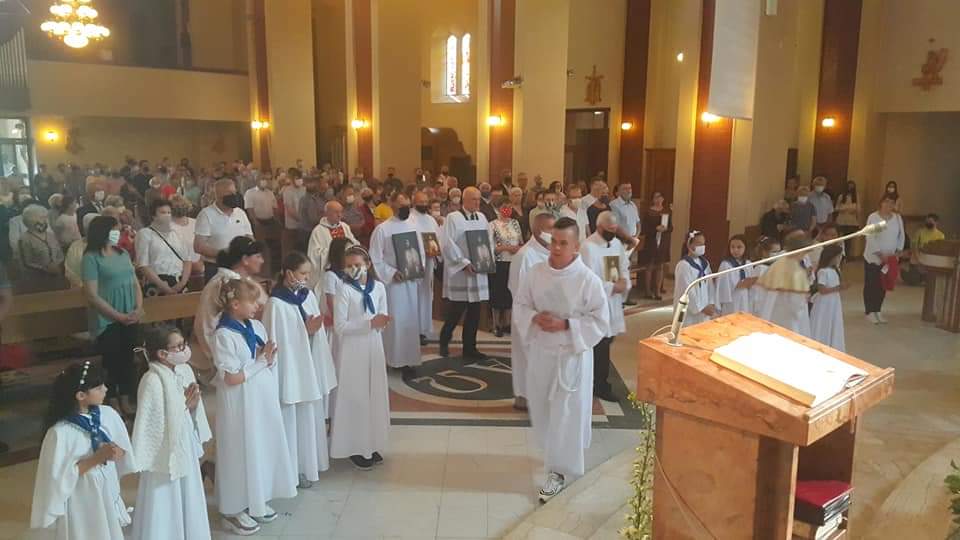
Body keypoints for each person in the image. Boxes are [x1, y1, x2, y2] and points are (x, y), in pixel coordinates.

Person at [513, 217, 609, 502]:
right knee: (544, 410)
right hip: (542, 352)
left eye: (563, 243)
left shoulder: (587, 280)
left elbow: (600, 321)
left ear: (576, 246)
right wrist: (534, 317)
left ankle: (559, 472)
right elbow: (521, 303)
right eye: (553, 242)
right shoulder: (535, 273)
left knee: (566, 414)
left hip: (571, 357)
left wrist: (566, 325)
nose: (556, 248)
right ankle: (554, 457)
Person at [212, 278, 296, 534]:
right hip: (239, 401)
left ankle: (255, 498)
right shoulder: (223, 335)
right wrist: (261, 361)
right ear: (235, 304)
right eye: (253, 301)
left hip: (260, 398)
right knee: (238, 449)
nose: (258, 306)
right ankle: (232, 509)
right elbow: (232, 377)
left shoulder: (256, 326)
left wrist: (269, 356)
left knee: (259, 446)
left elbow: (266, 357)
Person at [31, 362, 136, 540]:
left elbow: (123, 450)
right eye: (98, 387)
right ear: (81, 395)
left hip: (105, 487)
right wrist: (97, 458)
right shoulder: (60, 432)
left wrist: (116, 452)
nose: (105, 389)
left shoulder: (108, 414)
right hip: (81, 496)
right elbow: (58, 478)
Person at [130, 325, 212, 540]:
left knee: (188, 494)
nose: (184, 349)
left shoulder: (184, 370)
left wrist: (191, 408)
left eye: (184, 344)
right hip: (164, 454)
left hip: (184, 442)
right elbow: (154, 424)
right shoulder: (152, 380)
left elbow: (187, 410)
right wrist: (184, 406)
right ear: (162, 354)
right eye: (178, 346)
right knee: (165, 500)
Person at [264, 252, 337, 489]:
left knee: (308, 420)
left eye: (308, 274)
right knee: (291, 422)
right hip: (290, 372)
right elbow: (276, 341)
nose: (306, 278)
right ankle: (291, 471)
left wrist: (312, 332)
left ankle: (307, 465)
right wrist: (305, 332)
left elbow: (315, 335)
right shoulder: (276, 304)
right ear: (289, 274)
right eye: (303, 273)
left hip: (308, 368)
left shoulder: (307, 297)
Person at [329, 245, 391, 470]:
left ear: (368, 265)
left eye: (358, 265)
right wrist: (368, 324)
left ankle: (372, 443)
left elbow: (382, 316)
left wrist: (380, 324)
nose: (353, 269)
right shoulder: (344, 289)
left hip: (373, 346)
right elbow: (339, 326)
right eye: (349, 266)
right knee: (355, 397)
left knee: (373, 395)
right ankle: (354, 446)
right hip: (352, 350)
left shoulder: (379, 288)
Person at [82, 216, 142, 416]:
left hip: (130, 313)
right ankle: (112, 398)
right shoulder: (91, 257)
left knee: (128, 359)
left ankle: (126, 397)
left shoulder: (122, 253)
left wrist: (138, 307)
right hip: (107, 318)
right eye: (115, 229)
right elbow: (92, 295)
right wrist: (118, 316)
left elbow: (135, 282)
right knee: (112, 361)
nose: (118, 233)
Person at [192, 237, 266, 381]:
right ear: (245, 259)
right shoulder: (221, 285)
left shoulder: (245, 282)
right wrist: (216, 356)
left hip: (249, 353)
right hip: (229, 354)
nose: (262, 261)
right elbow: (206, 325)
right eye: (258, 256)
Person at [369, 191, 424, 374]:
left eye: (408, 206)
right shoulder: (382, 230)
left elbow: (420, 252)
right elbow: (375, 258)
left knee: (410, 321)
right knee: (396, 322)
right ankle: (393, 360)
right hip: (394, 285)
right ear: (392, 205)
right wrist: (392, 273)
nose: (406, 209)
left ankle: (409, 359)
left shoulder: (414, 226)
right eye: (402, 206)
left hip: (411, 281)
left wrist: (418, 268)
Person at [579, 211, 629, 402]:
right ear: (599, 227)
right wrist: (611, 287)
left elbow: (623, 265)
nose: (612, 233)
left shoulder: (615, 244)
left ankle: (599, 380)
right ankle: (598, 384)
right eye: (609, 229)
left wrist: (624, 281)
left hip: (613, 301)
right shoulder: (588, 247)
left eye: (615, 229)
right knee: (599, 344)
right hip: (597, 303)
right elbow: (588, 278)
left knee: (607, 340)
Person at [439, 187, 493, 360]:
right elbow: (447, 243)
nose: (477, 202)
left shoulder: (482, 217)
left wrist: (486, 260)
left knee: (475, 312)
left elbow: (488, 241)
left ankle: (470, 348)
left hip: (477, 271)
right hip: (461, 272)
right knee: (456, 311)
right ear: (464, 200)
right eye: (474, 199)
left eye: (478, 199)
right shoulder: (453, 218)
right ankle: (444, 340)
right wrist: (463, 263)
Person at [508, 213, 555, 411]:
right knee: (527, 358)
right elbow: (518, 291)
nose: (554, 233)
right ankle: (524, 398)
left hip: (548, 317)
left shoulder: (551, 252)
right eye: (551, 229)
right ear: (539, 230)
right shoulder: (525, 255)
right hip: (529, 317)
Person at [194, 178, 254, 282]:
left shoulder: (240, 213)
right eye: (230, 193)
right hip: (216, 267)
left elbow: (250, 238)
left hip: (240, 267)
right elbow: (199, 246)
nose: (234, 196)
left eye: (235, 192)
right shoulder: (206, 215)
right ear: (219, 196)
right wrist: (225, 254)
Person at [755, 233, 813, 336]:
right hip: (787, 314)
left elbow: (763, 289)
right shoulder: (796, 270)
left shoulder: (777, 264)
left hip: (772, 308)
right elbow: (795, 303)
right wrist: (804, 297)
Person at [136, 199, 191, 296]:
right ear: (153, 215)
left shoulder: (177, 234)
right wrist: (162, 286)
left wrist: (182, 282)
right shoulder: (145, 234)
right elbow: (143, 265)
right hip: (156, 282)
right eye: (163, 212)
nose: (167, 215)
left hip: (178, 281)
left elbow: (187, 260)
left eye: (169, 212)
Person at [863, 195, 904, 324]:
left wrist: (897, 252)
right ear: (881, 203)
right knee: (872, 284)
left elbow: (901, 236)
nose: (889, 205)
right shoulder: (874, 217)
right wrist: (880, 254)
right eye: (886, 202)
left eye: (892, 203)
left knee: (883, 284)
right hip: (874, 257)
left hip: (890, 259)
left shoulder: (897, 218)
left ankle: (878, 310)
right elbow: (870, 237)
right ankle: (869, 311)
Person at [410, 190, 442, 343]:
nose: (423, 204)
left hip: (429, 262)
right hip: (414, 262)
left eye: (425, 202)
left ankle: (424, 328)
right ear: (414, 202)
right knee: (415, 295)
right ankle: (414, 329)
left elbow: (438, 238)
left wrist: (436, 251)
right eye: (420, 202)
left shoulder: (430, 219)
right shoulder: (409, 219)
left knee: (426, 294)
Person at [307, 200, 358, 292]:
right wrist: (334, 252)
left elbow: (354, 242)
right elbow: (314, 254)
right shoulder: (318, 231)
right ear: (326, 213)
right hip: (330, 271)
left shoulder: (345, 226)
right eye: (336, 212)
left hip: (347, 268)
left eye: (341, 212)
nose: (339, 215)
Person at [490, 203, 523, 338]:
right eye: (504, 207)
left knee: (510, 292)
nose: (506, 210)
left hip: (513, 262)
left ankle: (508, 323)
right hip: (499, 262)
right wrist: (506, 248)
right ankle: (496, 324)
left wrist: (518, 248)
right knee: (498, 292)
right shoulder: (493, 224)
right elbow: (491, 246)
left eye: (509, 207)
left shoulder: (515, 223)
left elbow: (520, 241)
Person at [18, 204, 66, 291]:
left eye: (45, 217)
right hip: (37, 280)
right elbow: (26, 262)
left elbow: (60, 254)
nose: (45, 220)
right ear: (32, 220)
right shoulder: (25, 239)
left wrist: (58, 265)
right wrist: (45, 269)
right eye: (42, 218)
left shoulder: (51, 235)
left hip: (57, 276)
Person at [673, 230, 717, 325]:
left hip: (705, 307)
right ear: (689, 245)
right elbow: (686, 289)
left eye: (703, 244)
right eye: (698, 244)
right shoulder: (684, 265)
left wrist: (711, 302)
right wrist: (700, 308)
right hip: (690, 311)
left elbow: (710, 285)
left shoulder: (705, 263)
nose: (702, 247)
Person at [811, 245, 846, 352]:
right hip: (824, 303)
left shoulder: (835, 270)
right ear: (832, 257)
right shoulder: (823, 271)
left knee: (833, 322)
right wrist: (838, 288)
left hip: (833, 301)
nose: (840, 259)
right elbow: (822, 290)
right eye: (838, 256)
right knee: (824, 323)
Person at [639, 191, 672, 300]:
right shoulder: (648, 212)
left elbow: (671, 227)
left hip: (663, 241)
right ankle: (648, 291)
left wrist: (665, 229)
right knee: (649, 266)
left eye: (660, 197)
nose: (658, 199)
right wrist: (655, 229)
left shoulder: (666, 211)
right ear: (653, 199)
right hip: (651, 241)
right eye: (656, 197)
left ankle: (658, 290)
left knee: (660, 266)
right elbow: (644, 228)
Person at [716, 235, 757, 315]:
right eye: (732, 247)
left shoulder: (748, 264)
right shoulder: (726, 264)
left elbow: (751, 283)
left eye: (739, 247)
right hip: (732, 298)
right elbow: (723, 286)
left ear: (745, 248)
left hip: (745, 297)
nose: (735, 250)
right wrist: (742, 283)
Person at [170, 195, 203, 278]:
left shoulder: (196, 223)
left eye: (181, 205)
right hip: (179, 272)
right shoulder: (167, 228)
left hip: (200, 269)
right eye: (176, 206)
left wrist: (201, 263)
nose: (179, 208)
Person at [750, 235, 782, 316]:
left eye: (779, 251)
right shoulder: (760, 268)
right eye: (774, 252)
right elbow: (756, 291)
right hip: (763, 305)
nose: (777, 254)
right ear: (764, 252)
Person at [280, 169, 307, 257]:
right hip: (292, 226)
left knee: (302, 251)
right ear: (292, 179)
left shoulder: (304, 189)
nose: (299, 180)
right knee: (290, 251)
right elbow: (289, 209)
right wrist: (301, 219)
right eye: (296, 178)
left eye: (300, 178)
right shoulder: (287, 191)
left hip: (303, 227)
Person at [299, 176, 328, 250]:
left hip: (317, 232)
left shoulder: (321, 198)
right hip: (308, 233)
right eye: (323, 183)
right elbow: (313, 219)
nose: (325, 185)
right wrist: (327, 215)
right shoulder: (309, 199)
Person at [610, 183, 641, 250]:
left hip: (633, 240)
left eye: (630, 188)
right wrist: (629, 240)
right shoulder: (614, 205)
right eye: (625, 189)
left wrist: (635, 239)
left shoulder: (633, 204)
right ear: (619, 192)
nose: (629, 191)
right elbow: (616, 227)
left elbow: (638, 224)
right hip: (621, 241)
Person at [834, 181, 861, 249]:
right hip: (841, 221)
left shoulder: (856, 196)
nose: (850, 188)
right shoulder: (841, 196)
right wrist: (844, 209)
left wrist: (855, 211)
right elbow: (836, 208)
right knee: (840, 240)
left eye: (852, 187)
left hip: (851, 222)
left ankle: (848, 254)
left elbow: (859, 209)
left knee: (849, 242)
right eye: (849, 187)